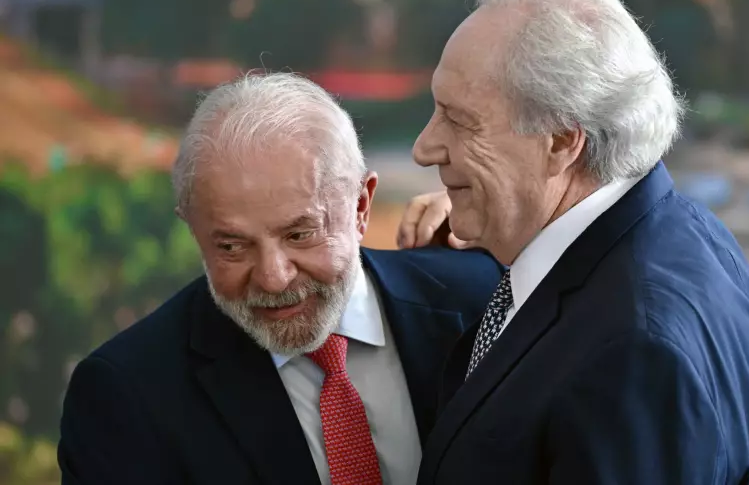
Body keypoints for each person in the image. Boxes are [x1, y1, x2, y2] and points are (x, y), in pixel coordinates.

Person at [399, 0, 749, 485]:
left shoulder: (633, 354)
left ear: (561, 141)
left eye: (459, 121)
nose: (424, 148)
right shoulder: (688, 232)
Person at [57, 73, 504, 485]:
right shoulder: (128, 394)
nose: (273, 279)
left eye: (299, 235)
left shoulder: (486, 297)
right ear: (192, 228)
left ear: (361, 206)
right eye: (232, 247)